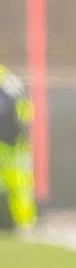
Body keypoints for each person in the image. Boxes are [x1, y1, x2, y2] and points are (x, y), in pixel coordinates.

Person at [0, 66, 37, 233]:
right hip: (14, 143)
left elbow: (24, 112)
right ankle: (22, 223)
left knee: (20, 186)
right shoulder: (10, 81)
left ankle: (23, 223)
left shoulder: (8, 82)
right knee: (19, 187)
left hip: (13, 144)